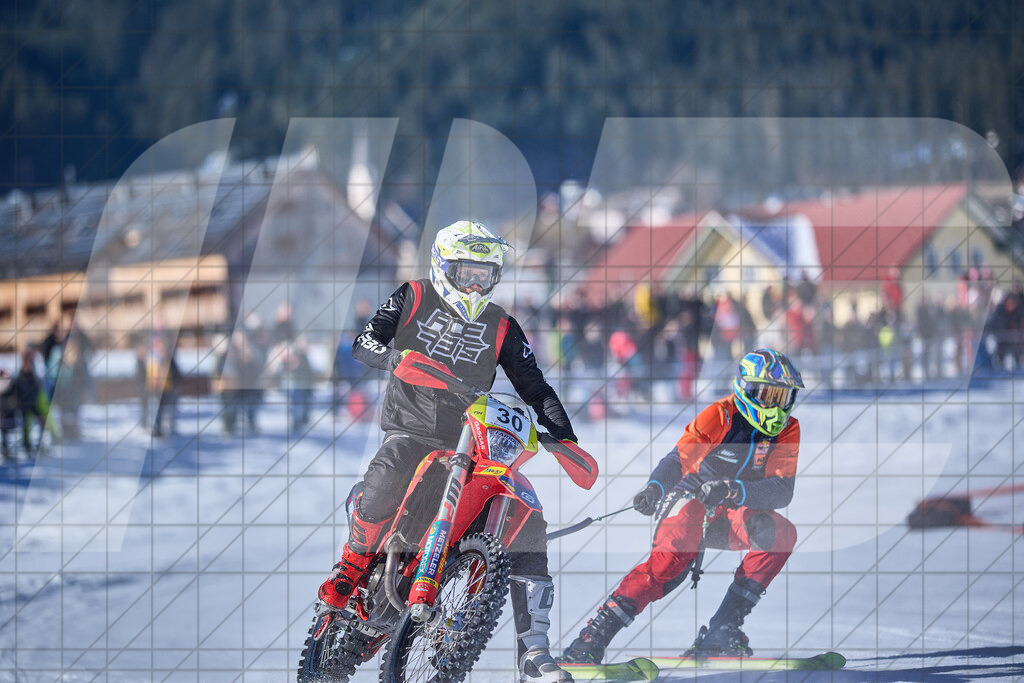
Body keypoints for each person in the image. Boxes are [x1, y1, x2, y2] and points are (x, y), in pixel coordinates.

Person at [318, 221, 582, 682]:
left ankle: (533, 650)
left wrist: (563, 435)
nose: (477, 283)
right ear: (445, 267)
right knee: (391, 467)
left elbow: (535, 386)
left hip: (472, 436)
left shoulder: (501, 324)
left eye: (486, 275)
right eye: (468, 273)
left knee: (526, 515)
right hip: (411, 428)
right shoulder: (414, 297)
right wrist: (392, 358)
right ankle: (354, 561)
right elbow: (365, 342)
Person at [560, 349, 803, 663]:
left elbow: (781, 490)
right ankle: (588, 641)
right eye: (769, 395)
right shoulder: (721, 415)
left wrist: (732, 489)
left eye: (783, 397)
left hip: (730, 514)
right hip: (689, 503)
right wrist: (654, 488)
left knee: (780, 535)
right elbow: (678, 459)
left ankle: (722, 631)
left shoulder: (788, 429)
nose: (776, 406)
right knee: (670, 564)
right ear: (747, 388)